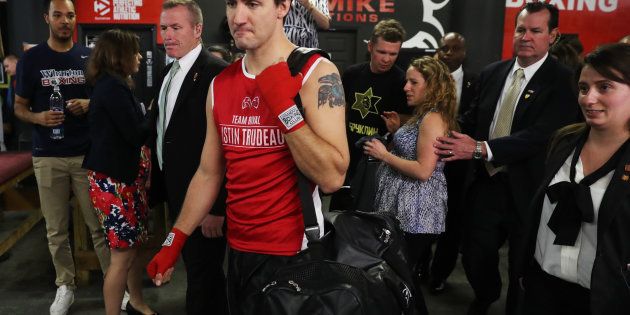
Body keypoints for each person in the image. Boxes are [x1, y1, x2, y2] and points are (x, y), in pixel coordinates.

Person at [146, 0, 349, 314]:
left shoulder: (316, 73)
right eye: (231, 4)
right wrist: (176, 237)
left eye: (253, 4)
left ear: (282, 7)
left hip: (294, 255)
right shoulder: (221, 84)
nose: (237, 17)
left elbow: (332, 178)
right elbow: (209, 172)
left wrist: (286, 110)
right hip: (237, 252)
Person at [433, 2, 580, 314]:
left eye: (535, 31)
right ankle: (485, 295)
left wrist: (481, 148)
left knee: (521, 267)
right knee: (474, 254)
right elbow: (471, 121)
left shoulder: (563, 80)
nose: (526, 36)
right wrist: (433, 128)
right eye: (521, 29)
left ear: (552, 36)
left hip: (529, 188)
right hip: (486, 183)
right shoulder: (492, 73)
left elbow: (542, 134)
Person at [516, 43, 630, 315]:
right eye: (583, 88)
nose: (588, 99)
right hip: (542, 288)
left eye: (604, 87)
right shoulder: (564, 140)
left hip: (603, 300)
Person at [13, 1, 110, 314]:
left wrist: (89, 102)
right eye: (58, 15)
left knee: (98, 226)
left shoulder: (89, 56)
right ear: (47, 19)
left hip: (86, 154)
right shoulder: (32, 59)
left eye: (70, 15)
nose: (64, 21)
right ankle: (65, 285)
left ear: (75, 19)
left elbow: (108, 98)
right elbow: (19, 106)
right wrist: (39, 119)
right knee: (56, 229)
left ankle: (114, 282)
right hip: (47, 156)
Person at [150, 1, 230, 314]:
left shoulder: (217, 74)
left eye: (176, 27)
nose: (167, 35)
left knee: (203, 277)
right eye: (164, 28)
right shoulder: (168, 71)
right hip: (177, 195)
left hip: (205, 203)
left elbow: (227, 148)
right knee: (199, 275)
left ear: (197, 30)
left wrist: (218, 207)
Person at [363, 56, 457, 312]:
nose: (406, 87)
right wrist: (396, 131)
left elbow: (424, 170)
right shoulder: (424, 115)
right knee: (400, 277)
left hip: (416, 215)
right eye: (407, 82)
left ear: (433, 86)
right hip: (406, 212)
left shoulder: (433, 118)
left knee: (401, 279)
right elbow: (414, 152)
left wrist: (383, 154)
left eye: (414, 82)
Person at [83, 29, 155, 315]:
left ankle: (136, 302)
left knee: (132, 251)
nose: (139, 56)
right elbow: (135, 134)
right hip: (114, 183)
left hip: (123, 180)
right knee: (121, 257)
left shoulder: (115, 84)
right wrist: (154, 113)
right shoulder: (112, 87)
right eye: (134, 51)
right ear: (120, 55)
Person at [427, 32, 478, 293]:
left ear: (464, 53)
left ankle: (439, 273)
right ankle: (418, 268)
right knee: (422, 216)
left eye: (454, 49)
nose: (447, 53)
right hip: (427, 157)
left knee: (451, 221)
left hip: (459, 165)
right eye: (443, 48)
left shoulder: (476, 82)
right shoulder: (427, 79)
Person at [343, 19, 411, 187]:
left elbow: (413, 122)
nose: (387, 59)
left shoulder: (404, 82)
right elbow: (341, 111)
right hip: (347, 155)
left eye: (393, 54)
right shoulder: (352, 74)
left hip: (380, 162)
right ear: (370, 47)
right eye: (382, 52)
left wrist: (399, 123)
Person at [2, 54, 18, 151]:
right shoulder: (13, 79)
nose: (5, 70)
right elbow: (9, 102)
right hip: (13, 122)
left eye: (7, 66)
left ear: (16, 62)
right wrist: (6, 121)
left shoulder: (25, 77)